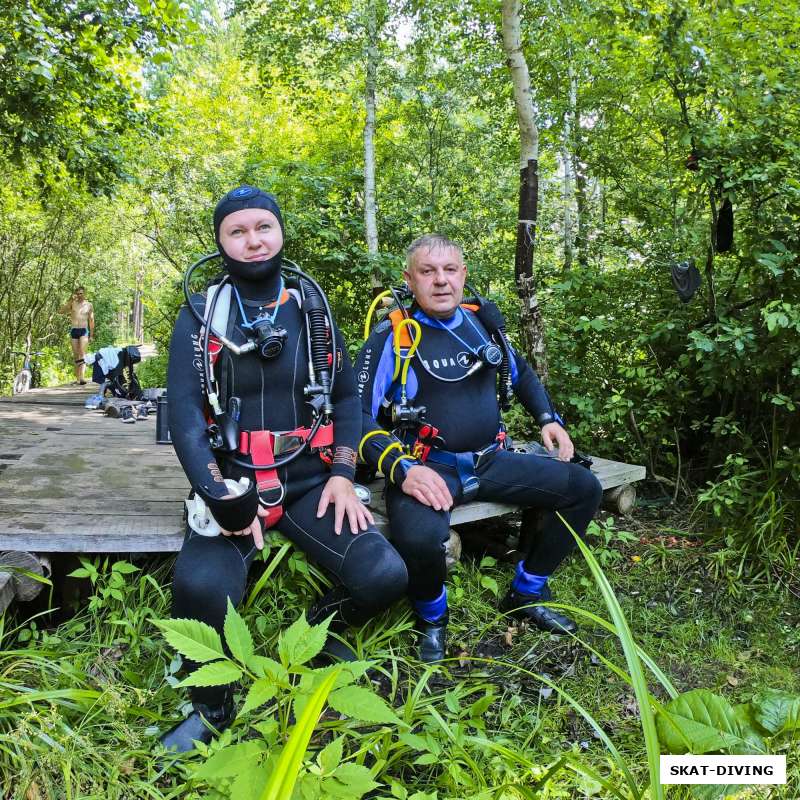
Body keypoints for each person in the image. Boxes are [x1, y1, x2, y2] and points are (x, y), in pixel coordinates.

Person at [160, 186, 408, 753]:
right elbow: (184, 417)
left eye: (263, 227)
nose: (253, 241)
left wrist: (344, 473)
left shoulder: (312, 310)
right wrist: (215, 491)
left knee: (385, 575)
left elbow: (347, 402)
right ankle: (212, 707)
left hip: (309, 479)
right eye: (237, 231)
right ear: (220, 242)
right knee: (200, 588)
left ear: (280, 232)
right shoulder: (200, 317)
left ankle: (316, 635)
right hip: (233, 479)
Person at [355, 234, 603, 662]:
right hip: (426, 468)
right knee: (422, 539)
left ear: (463, 274)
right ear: (409, 279)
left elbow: (519, 371)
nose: (441, 281)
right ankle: (432, 618)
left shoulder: (481, 323)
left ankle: (526, 592)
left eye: (450, 270)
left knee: (584, 489)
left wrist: (549, 419)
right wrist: (400, 468)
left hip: (492, 460)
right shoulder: (391, 339)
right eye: (428, 271)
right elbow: (354, 416)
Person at [59, 287, 94, 385]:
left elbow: (91, 320)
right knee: (75, 355)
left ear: (85, 294)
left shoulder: (89, 305)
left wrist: (91, 334)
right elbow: (61, 311)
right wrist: (70, 300)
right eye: (78, 293)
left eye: (81, 293)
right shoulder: (72, 304)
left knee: (82, 353)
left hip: (84, 330)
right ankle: (78, 378)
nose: (79, 295)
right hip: (74, 330)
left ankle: (82, 377)